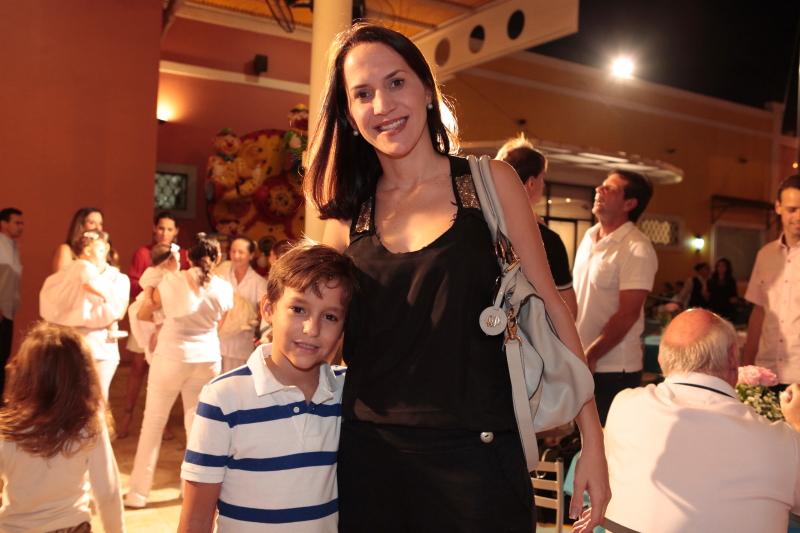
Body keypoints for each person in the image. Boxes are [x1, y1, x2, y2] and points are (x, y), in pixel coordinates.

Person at [305, 23, 608, 533]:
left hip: (480, 466)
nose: (383, 104)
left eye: (396, 82)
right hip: (372, 462)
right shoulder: (345, 217)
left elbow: (554, 309)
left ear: (427, 90)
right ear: (349, 115)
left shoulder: (489, 184)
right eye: (363, 93)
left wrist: (593, 444)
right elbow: (316, 334)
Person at [178, 242, 354, 532]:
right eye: (298, 309)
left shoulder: (347, 393)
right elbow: (196, 519)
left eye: (330, 316)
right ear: (268, 309)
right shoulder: (223, 399)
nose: (312, 329)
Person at [603, 308, 800, 533]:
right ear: (733, 356)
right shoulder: (782, 443)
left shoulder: (624, 405)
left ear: (659, 358)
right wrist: (797, 424)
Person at [125, 236, 233, 509]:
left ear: (188, 257)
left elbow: (145, 313)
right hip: (207, 358)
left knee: (153, 424)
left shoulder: (172, 281)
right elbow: (221, 326)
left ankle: (138, 493)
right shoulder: (224, 287)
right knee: (197, 427)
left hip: (171, 356)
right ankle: (190, 492)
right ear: (218, 258)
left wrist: (151, 292)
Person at [0, 322, 124, 533]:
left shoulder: (10, 428)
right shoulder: (88, 424)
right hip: (72, 527)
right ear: (83, 374)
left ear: (25, 374)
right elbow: (108, 491)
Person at [572, 170, 658, 425]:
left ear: (629, 204)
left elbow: (627, 314)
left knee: (606, 440)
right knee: (581, 438)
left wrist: (592, 355)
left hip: (613, 369)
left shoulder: (636, 247)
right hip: (581, 360)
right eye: (602, 185)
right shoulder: (589, 236)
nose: (599, 190)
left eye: (610, 189)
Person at [120, 211, 190, 436]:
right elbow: (133, 282)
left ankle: (163, 421)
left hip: (169, 318)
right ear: (154, 228)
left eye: (169, 229)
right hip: (147, 312)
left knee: (164, 370)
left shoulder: (182, 255)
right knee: (138, 366)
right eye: (161, 228)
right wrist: (153, 291)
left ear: (176, 231)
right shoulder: (143, 253)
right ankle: (127, 414)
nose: (164, 233)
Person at [39, 230, 131, 400]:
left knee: (98, 399)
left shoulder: (118, 278)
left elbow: (118, 312)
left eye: (102, 248)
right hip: (71, 344)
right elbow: (53, 305)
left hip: (102, 347)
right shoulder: (73, 271)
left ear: (107, 248)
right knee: (69, 398)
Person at [496, 135, 578, 317]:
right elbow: (569, 310)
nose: (544, 184)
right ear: (531, 183)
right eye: (543, 178)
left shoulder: (477, 224)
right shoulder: (546, 239)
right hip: (523, 331)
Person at [743, 175, 800, 389]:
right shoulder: (765, 255)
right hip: (766, 370)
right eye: (792, 209)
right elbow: (759, 311)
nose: (798, 216)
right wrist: (747, 364)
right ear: (778, 207)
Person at [217, 237, 268, 372]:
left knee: (234, 382)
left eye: (241, 252)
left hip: (241, 345)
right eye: (233, 251)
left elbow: (265, 312)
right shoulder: (221, 273)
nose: (236, 256)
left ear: (251, 255)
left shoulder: (258, 282)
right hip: (217, 343)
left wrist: (253, 322)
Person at [0, 208, 23, 396]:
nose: (20, 227)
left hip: (7, 311)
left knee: (2, 356)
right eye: (16, 222)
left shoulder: (13, 246)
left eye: (22, 223)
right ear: (4, 223)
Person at [53, 207, 104, 272]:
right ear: (81, 226)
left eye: (100, 224)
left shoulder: (102, 252)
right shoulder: (66, 250)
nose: (98, 228)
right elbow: (61, 277)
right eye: (92, 223)